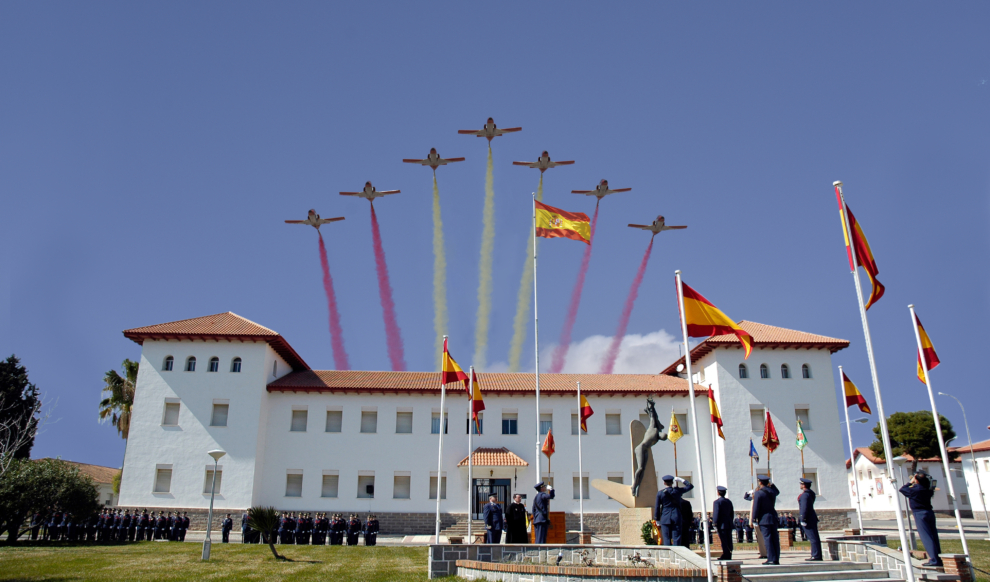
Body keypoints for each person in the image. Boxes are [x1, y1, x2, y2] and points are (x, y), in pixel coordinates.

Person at [900, 471, 942, 567]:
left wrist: (911, 481)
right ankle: (938, 557)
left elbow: (902, 489)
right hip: (929, 512)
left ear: (917, 480)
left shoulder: (915, 490)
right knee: (933, 536)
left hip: (919, 513)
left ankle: (934, 560)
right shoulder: (928, 489)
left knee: (926, 537)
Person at [655, 475, 693, 546]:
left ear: (664, 483)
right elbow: (690, 486)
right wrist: (681, 480)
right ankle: (676, 555)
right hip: (676, 516)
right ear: (672, 482)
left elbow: (657, 507)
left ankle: (668, 555)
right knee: (676, 538)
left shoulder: (660, 493)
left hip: (665, 517)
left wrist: (657, 519)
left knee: (666, 538)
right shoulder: (677, 491)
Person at [752, 475, 780, 565]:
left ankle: (771, 558)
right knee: (775, 539)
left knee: (767, 539)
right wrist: (772, 484)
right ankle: (776, 558)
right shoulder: (772, 491)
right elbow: (777, 491)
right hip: (773, 517)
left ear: (760, 482)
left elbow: (756, 507)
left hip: (764, 518)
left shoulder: (758, 493)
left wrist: (753, 518)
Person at [798, 478, 822, 561]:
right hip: (811, 517)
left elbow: (804, 508)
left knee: (812, 537)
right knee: (814, 537)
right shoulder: (811, 493)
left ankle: (816, 555)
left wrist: (803, 518)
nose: (800, 485)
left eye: (801, 484)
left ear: (804, 485)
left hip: (808, 518)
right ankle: (816, 554)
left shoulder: (805, 495)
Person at [713, 486, 734, 560]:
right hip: (728, 523)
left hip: (721, 524)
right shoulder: (729, 501)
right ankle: (729, 553)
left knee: (724, 540)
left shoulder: (717, 502)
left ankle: (726, 554)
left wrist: (714, 523)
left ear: (718, 493)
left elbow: (716, 513)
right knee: (729, 540)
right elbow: (732, 513)